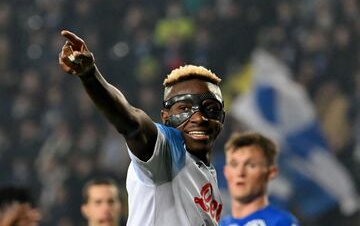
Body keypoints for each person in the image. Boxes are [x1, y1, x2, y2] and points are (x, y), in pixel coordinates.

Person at [59, 30, 226, 225]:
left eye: (210, 108)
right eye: (184, 108)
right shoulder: (168, 153)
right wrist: (90, 75)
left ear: (222, 119)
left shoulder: (209, 174)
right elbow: (132, 123)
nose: (198, 117)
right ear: (166, 118)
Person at [220, 132, 299, 226]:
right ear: (226, 172)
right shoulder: (219, 224)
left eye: (251, 165)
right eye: (234, 164)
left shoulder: (281, 222)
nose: (240, 173)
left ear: (271, 172)